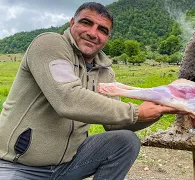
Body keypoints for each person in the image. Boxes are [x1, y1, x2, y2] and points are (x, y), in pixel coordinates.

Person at [0, 2, 184, 180]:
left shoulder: (104, 71)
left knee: (126, 141)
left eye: (102, 30)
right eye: (86, 23)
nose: (92, 33)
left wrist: (157, 109)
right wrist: (137, 112)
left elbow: (116, 125)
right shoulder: (50, 44)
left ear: (108, 37)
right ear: (72, 23)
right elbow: (68, 98)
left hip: (68, 165)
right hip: (18, 165)